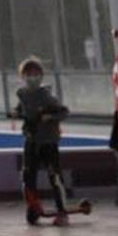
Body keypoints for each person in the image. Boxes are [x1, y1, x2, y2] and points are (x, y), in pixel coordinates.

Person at [15, 56, 71, 225]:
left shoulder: (46, 96)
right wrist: (17, 113)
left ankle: (62, 211)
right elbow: (21, 110)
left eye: (35, 73)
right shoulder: (22, 94)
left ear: (41, 76)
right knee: (27, 176)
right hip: (31, 140)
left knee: (54, 175)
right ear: (22, 76)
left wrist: (49, 117)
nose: (32, 77)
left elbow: (64, 112)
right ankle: (33, 207)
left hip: (48, 141)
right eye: (28, 74)